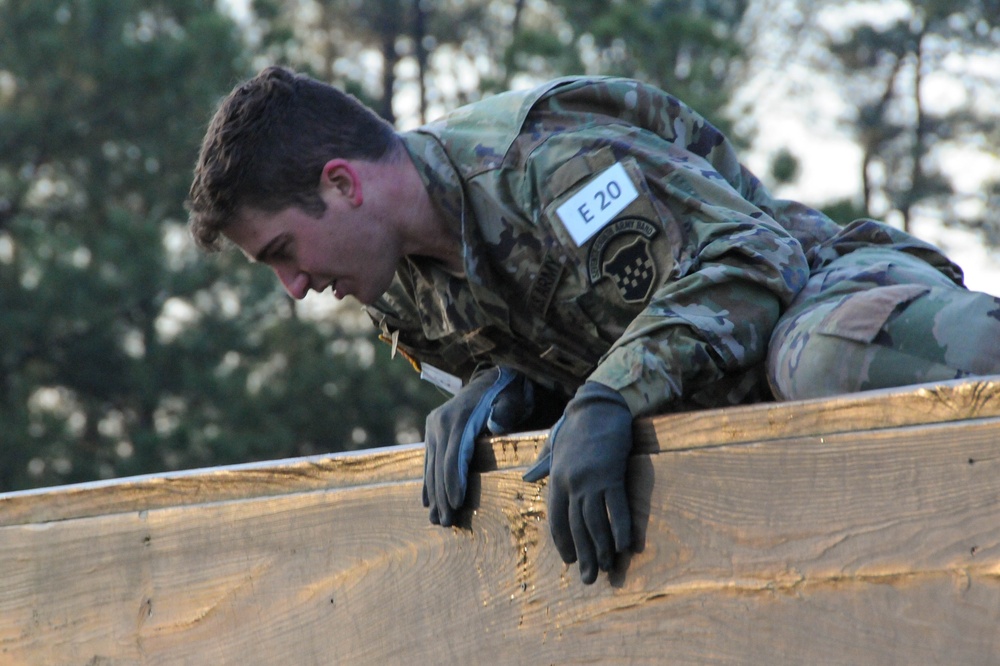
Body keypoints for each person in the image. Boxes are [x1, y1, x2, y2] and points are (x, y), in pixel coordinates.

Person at [187, 66, 1000, 585]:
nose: (294, 287)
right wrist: (511, 391)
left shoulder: (546, 167)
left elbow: (758, 262)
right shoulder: (398, 291)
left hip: (818, 291)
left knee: (819, 361)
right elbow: (575, 338)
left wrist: (609, 396)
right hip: (726, 407)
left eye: (285, 252)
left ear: (342, 184)